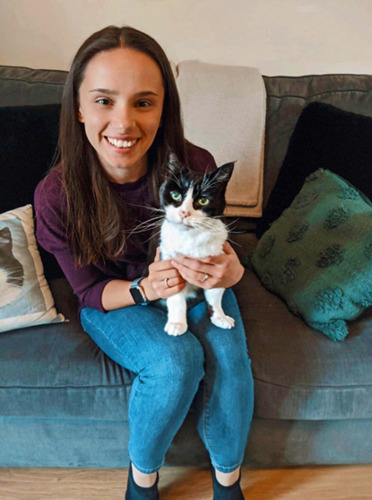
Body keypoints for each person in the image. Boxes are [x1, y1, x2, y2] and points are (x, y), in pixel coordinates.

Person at [34, 25, 254, 500]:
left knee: (231, 360)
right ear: (77, 106)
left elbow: (218, 241)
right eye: (104, 100)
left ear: (163, 108)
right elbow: (88, 292)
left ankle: (229, 481)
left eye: (143, 102)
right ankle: (142, 481)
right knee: (176, 363)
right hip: (117, 299)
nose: (124, 123)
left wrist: (232, 272)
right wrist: (145, 290)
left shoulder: (193, 163)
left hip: (193, 286)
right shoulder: (56, 196)